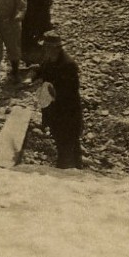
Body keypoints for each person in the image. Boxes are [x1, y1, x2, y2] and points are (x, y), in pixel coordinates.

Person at [33, 31, 83, 169]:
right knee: (64, 146)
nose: (44, 50)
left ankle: (70, 176)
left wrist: (52, 91)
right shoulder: (50, 59)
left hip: (68, 115)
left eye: (47, 47)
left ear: (55, 48)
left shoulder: (68, 65)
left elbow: (71, 92)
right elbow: (44, 71)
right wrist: (34, 73)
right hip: (57, 112)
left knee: (67, 147)